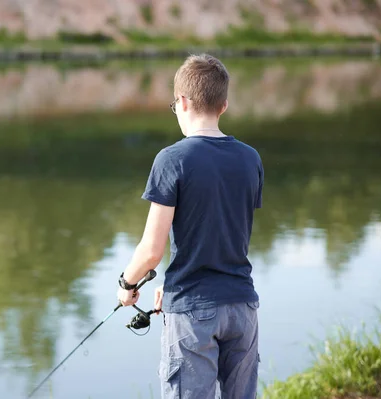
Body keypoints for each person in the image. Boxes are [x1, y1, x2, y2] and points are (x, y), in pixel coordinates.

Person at [116, 53, 264, 399]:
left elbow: (152, 251)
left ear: (182, 102)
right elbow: (224, 232)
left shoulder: (172, 159)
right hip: (242, 305)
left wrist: (127, 283)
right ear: (223, 105)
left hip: (193, 311)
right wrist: (169, 289)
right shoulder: (250, 158)